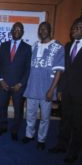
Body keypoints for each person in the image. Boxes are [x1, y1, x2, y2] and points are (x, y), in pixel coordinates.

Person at [22, 22, 64, 150]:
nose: (42, 31)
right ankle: (29, 135)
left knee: (45, 117)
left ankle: (41, 139)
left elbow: (59, 71)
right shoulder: (34, 46)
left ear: (50, 31)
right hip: (32, 87)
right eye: (40, 29)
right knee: (30, 114)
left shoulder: (58, 47)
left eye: (45, 29)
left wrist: (52, 90)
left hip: (47, 89)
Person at [48, 17, 82, 164]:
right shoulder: (68, 46)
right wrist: (60, 89)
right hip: (67, 91)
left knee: (78, 124)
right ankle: (61, 145)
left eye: (78, 27)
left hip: (80, 94)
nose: (73, 29)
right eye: (73, 27)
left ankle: (73, 152)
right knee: (65, 120)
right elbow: (63, 71)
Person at [0, 22, 32, 141]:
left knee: (18, 110)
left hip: (18, 86)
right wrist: (0, 80)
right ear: (11, 31)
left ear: (22, 32)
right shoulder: (3, 45)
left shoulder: (27, 48)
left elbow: (28, 69)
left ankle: (15, 130)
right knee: (2, 107)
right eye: (15, 29)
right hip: (3, 84)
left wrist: (21, 84)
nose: (17, 31)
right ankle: (3, 127)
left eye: (19, 29)